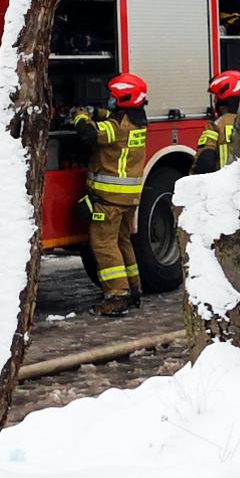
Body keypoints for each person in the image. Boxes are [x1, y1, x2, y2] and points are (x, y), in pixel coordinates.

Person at [71, 73, 150, 316]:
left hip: (109, 200)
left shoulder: (116, 129)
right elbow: (111, 117)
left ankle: (117, 296)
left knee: (104, 244)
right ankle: (134, 289)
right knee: (123, 241)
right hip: (127, 199)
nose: (110, 101)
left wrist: (79, 115)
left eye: (113, 97)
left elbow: (90, 133)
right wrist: (96, 111)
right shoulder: (136, 122)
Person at [193, 70, 240, 174]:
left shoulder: (216, 125)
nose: (214, 101)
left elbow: (205, 163)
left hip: (223, 186)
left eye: (216, 97)